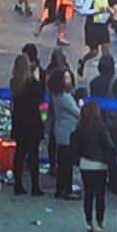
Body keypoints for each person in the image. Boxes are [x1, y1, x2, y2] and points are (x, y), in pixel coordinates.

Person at [69, 101, 115, 232]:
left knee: (88, 195)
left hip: (85, 163)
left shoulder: (80, 127)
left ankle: (89, 223)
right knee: (100, 196)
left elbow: (75, 146)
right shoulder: (101, 127)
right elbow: (109, 145)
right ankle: (100, 224)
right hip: (99, 164)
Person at [10, 53, 44, 196]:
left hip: (19, 121)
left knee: (19, 153)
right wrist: (44, 119)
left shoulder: (15, 83)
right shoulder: (33, 84)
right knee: (33, 155)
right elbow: (41, 103)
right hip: (33, 121)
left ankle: (18, 185)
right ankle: (35, 186)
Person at [46, 67, 80, 200]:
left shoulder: (57, 95)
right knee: (67, 164)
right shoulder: (65, 97)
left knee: (63, 162)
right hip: (67, 132)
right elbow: (76, 112)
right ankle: (67, 189)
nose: (69, 80)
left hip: (61, 130)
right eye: (66, 78)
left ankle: (61, 189)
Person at [76, 0, 112, 78]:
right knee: (94, 52)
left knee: (106, 50)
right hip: (92, 26)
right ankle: (82, 61)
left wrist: (110, 9)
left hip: (103, 25)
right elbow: (83, 11)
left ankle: (106, 72)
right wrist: (96, 11)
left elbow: (105, 5)